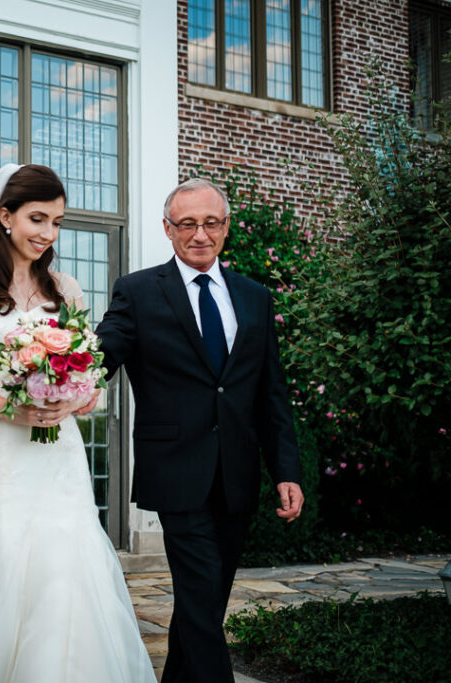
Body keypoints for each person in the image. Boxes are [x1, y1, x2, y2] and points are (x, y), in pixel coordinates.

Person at [0, 164, 157, 682]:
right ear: (4, 217)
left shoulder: (67, 289)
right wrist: (7, 409)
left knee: (66, 562)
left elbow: (90, 376)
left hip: (58, 449)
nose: (47, 233)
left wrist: (79, 398)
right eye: (37, 218)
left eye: (57, 222)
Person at [94, 178, 305, 682]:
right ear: (168, 230)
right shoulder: (139, 291)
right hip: (175, 469)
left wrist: (286, 470)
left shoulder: (254, 298)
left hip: (236, 470)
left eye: (211, 223)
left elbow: (270, 392)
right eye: (186, 223)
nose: (199, 234)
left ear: (226, 227)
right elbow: (103, 352)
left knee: (205, 601)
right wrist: (49, 373)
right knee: (199, 588)